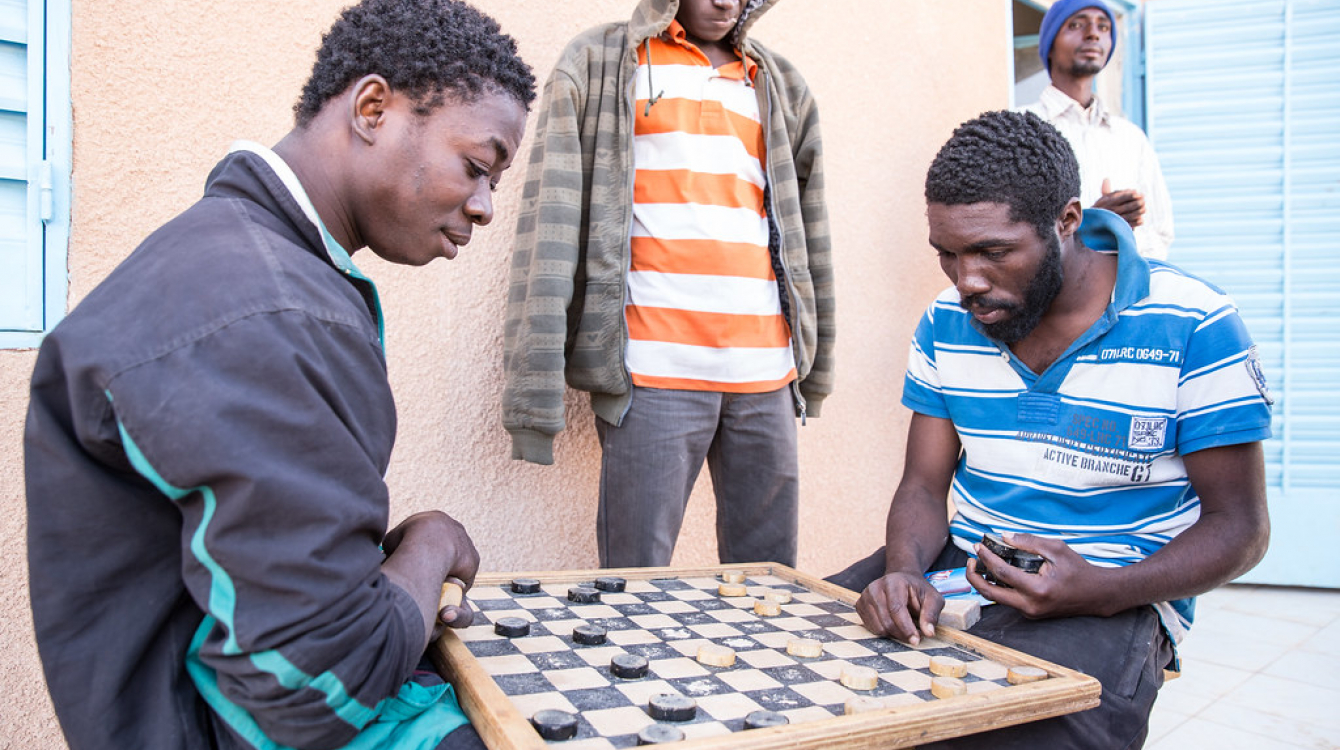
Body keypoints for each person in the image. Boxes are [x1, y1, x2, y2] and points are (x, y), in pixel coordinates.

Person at [23, 1, 534, 748]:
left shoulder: (241, 266)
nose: (485, 207)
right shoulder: (265, 312)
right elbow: (315, 684)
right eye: (478, 166)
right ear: (372, 108)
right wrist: (432, 545)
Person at [828, 110, 1271, 749]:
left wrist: (1104, 590)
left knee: (1008, 735)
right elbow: (923, 488)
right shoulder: (944, 323)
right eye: (947, 255)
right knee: (788, 666)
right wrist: (903, 570)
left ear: (1066, 221)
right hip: (965, 564)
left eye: (993, 252)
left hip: (1118, 582)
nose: (967, 280)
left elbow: (1241, 528)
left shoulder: (1193, 324)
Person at [501, 0, 833, 568]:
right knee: (634, 584)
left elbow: (811, 231)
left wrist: (816, 371)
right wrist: (533, 402)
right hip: (652, 372)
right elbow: (548, 223)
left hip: (766, 375)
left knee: (769, 582)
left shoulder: (779, 84)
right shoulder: (600, 61)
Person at [1021, 0, 1175, 259]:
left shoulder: (1130, 138)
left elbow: (1160, 231)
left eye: (1103, 27)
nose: (1093, 33)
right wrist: (1090, 225)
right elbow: (1010, 231)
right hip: (1049, 297)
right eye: (1076, 24)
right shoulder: (1021, 129)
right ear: (1049, 44)